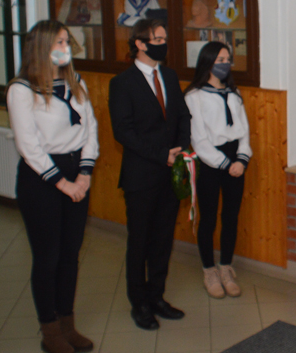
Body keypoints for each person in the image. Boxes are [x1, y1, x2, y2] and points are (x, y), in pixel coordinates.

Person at [6, 20, 98, 353]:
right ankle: (50, 330)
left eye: (66, 42)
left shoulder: (76, 83)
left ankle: (67, 323)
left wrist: (84, 174)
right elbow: (29, 146)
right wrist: (63, 183)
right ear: (41, 47)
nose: (65, 48)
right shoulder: (22, 90)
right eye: (59, 42)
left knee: (70, 256)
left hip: (77, 173)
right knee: (48, 258)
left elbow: (90, 130)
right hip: (42, 180)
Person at [108, 18, 191, 330]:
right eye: (157, 39)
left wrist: (181, 147)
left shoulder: (168, 75)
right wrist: (160, 155)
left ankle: (157, 296)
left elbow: (182, 114)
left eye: (164, 38)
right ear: (140, 44)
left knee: (163, 239)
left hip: (171, 174)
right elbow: (123, 132)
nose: (163, 43)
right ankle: (139, 303)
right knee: (140, 242)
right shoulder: (122, 83)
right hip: (142, 176)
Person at [184, 41, 252, 298]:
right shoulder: (194, 96)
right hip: (211, 161)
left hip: (236, 160)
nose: (225, 64)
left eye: (227, 59)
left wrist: (242, 159)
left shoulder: (234, 93)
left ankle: (225, 267)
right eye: (220, 60)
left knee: (231, 216)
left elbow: (244, 131)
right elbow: (199, 140)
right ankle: (209, 270)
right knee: (209, 218)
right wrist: (225, 164)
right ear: (208, 62)